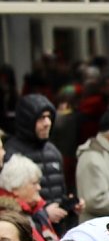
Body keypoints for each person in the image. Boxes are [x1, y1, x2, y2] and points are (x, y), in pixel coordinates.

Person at [3, 94, 80, 233]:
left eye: (49, 117)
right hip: (26, 232)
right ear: (27, 121)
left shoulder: (53, 151)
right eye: (41, 118)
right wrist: (44, 213)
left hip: (58, 232)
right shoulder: (9, 155)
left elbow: (60, 191)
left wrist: (70, 205)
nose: (47, 123)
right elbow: (7, 202)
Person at [0, 154, 61, 241]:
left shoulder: (37, 213)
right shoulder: (9, 217)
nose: (39, 188)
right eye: (34, 183)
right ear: (15, 187)